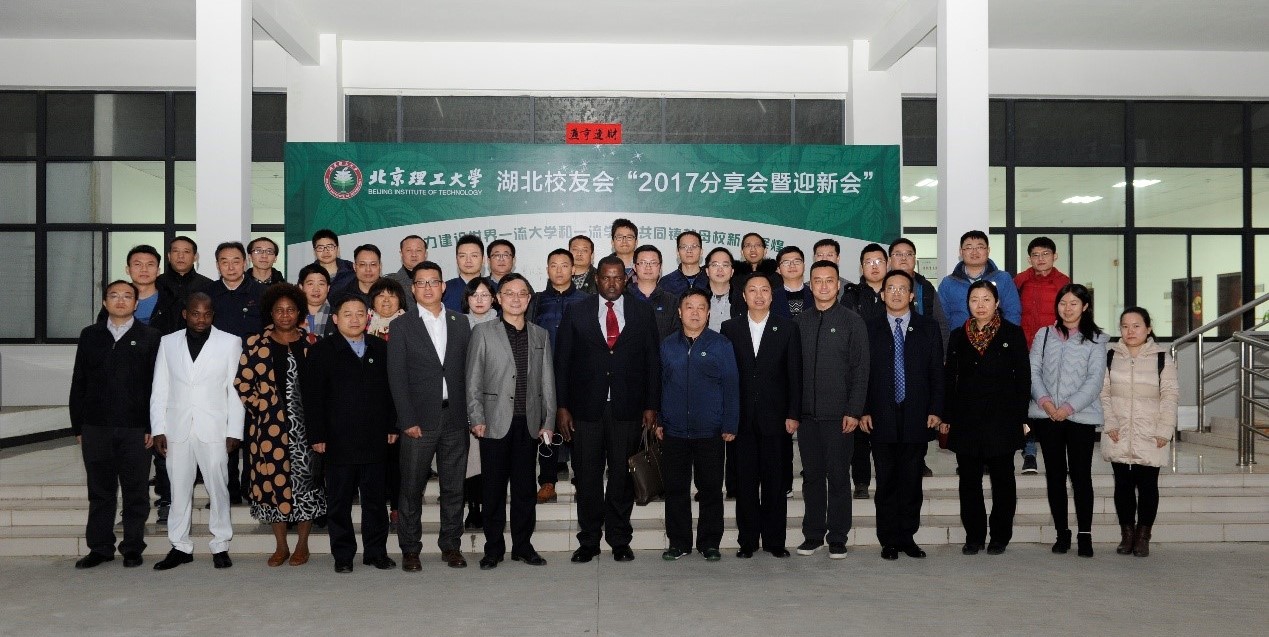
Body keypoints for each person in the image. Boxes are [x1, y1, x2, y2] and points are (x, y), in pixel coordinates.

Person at [554, 256, 662, 563]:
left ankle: (619, 539)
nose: (612, 283)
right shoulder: (577, 311)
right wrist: (562, 406)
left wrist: (651, 405)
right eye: (606, 277)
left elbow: (652, 361)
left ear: (626, 280)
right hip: (586, 410)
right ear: (596, 279)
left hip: (628, 409)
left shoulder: (641, 311)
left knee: (622, 478)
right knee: (587, 478)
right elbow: (562, 363)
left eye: (617, 277)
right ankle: (588, 541)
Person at [466, 273, 556, 569]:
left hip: (528, 424)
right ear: (498, 298)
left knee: (524, 490)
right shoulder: (483, 332)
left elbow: (547, 382)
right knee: (492, 490)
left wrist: (548, 421)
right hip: (493, 422)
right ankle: (493, 549)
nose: (516, 298)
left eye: (522, 293)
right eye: (509, 293)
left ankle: (523, 546)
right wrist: (476, 416)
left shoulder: (540, 334)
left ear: (529, 299)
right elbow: (473, 379)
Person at [69, 280, 161, 569]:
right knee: (100, 491)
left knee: (136, 491)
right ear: (105, 302)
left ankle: (132, 547)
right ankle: (100, 548)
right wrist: (78, 427)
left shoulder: (150, 336)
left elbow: (157, 386)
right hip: (95, 427)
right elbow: (79, 381)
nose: (120, 301)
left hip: (136, 429)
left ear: (136, 303)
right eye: (114, 295)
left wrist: (153, 425)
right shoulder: (90, 335)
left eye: (127, 296)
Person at [303, 295, 399, 573]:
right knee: (339, 502)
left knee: (375, 501)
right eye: (347, 314)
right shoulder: (322, 351)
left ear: (368, 318)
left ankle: (376, 552)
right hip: (337, 439)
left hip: (375, 437)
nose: (354, 319)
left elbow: (392, 391)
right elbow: (312, 397)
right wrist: (317, 435)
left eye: (360, 313)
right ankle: (343, 555)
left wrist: (393, 425)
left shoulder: (381, 348)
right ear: (335, 319)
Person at [150, 292, 245, 570]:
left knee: (218, 487)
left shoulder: (230, 342)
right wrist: (158, 429)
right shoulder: (168, 343)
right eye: (195, 313)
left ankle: (220, 544)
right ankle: (179, 546)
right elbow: (160, 388)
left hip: (215, 428)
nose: (201, 319)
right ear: (185, 314)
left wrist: (234, 430)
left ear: (213, 315)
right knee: (178, 489)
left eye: (206, 314)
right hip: (177, 428)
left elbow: (235, 391)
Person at [387, 261, 473, 571]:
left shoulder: (460, 322)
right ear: (413, 289)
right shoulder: (401, 325)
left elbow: (468, 370)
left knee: (454, 488)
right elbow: (396, 377)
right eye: (421, 282)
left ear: (443, 286)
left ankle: (451, 546)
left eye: (433, 282)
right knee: (411, 488)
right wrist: (407, 420)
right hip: (418, 422)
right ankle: (410, 549)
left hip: (455, 418)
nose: (427, 287)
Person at [234, 283, 327, 567]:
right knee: (272, 485)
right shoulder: (255, 344)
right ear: (270, 313)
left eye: (290, 310)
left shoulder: (312, 344)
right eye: (279, 310)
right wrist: (263, 410)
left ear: (299, 313)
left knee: (305, 486)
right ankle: (281, 546)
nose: (285, 315)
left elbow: (323, 386)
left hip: (306, 430)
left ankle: (302, 545)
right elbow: (242, 383)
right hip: (268, 431)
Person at [859, 270, 944, 561]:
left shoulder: (928, 328)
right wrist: (863, 410)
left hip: (917, 414)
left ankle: (907, 537)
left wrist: (936, 409)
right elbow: (862, 373)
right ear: (882, 295)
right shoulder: (869, 328)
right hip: (880, 414)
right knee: (886, 481)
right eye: (891, 288)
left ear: (911, 295)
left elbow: (937, 371)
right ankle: (888, 540)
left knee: (911, 481)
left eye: (902, 289)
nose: (896, 293)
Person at [943, 280, 1031, 556]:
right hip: (966, 419)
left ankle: (1000, 536)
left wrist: (1021, 418)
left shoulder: (1012, 333)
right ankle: (974, 536)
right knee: (969, 482)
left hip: (1002, 420)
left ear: (997, 303)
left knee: (1003, 481)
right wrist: (947, 415)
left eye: (986, 299)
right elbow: (950, 378)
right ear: (967, 304)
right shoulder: (958, 336)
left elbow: (1023, 379)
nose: (980, 305)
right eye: (974, 300)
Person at [721, 273, 801, 559]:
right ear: (743, 296)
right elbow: (727, 378)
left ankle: (775, 541)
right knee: (745, 484)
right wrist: (728, 417)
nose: (758, 295)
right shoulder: (730, 328)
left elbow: (795, 374)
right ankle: (747, 541)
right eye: (752, 290)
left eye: (764, 290)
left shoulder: (787, 328)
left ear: (772, 295)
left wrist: (793, 413)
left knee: (775, 483)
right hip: (742, 420)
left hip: (776, 419)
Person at [96, 245, 178, 522]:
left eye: (150, 264)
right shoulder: (113, 304)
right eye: (137, 264)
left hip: (164, 384)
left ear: (159, 269)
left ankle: (167, 501)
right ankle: (132, 507)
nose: (144, 269)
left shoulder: (171, 303)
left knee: (163, 445)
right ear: (128, 269)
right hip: (124, 392)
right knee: (130, 454)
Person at [793, 260, 869, 559]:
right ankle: (812, 535)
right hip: (807, 417)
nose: (823, 286)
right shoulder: (800, 322)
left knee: (838, 477)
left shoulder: (852, 321)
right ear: (810, 285)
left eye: (829, 280)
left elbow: (861, 369)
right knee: (812, 478)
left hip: (840, 417)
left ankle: (838, 537)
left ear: (838, 285)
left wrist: (854, 410)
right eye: (817, 280)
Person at [658, 288, 739, 562]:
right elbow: (659, 385)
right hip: (674, 431)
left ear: (709, 312)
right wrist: (660, 419)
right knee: (675, 490)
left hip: (710, 430)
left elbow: (731, 387)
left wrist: (729, 423)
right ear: (679, 312)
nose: (695, 313)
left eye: (701, 307)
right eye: (689, 307)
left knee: (711, 490)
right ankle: (678, 542)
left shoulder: (721, 345)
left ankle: (709, 543)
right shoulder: (667, 345)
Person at [1029, 283, 1107, 557]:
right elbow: (1033, 371)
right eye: (1063, 303)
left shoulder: (1097, 339)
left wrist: (1068, 407)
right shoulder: (1044, 335)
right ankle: (1062, 532)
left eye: (1074, 303)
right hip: (1047, 415)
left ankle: (1085, 534)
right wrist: (1046, 403)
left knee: (1081, 476)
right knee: (1055, 476)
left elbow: (1095, 380)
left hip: (1080, 416)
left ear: (1085, 307)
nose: (1067, 308)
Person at [1102, 307, 1177, 558]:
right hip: (1118, 431)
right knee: (1122, 485)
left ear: (1148, 328)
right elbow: (1103, 393)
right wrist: (1110, 423)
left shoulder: (1162, 358)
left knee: (1147, 486)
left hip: (1151, 432)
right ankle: (1127, 535)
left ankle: (1143, 536)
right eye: (1125, 326)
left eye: (1136, 326)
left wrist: (1165, 429)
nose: (1130, 331)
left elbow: (1170, 396)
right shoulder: (1110, 356)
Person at [205, 241, 265, 504]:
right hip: (216, 376)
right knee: (221, 434)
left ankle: (251, 488)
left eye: (236, 261)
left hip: (253, 375)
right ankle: (226, 491)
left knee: (253, 433)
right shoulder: (207, 295)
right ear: (217, 265)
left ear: (246, 262)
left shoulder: (261, 293)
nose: (230, 267)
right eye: (224, 261)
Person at [528, 248, 586, 504]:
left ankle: (582, 480)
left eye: (565, 265)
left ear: (573, 269)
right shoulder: (537, 301)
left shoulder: (586, 300)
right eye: (554, 265)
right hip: (544, 374)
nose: (559, 270)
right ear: (547, 269)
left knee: (580, 429)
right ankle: (548, 481)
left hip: (578, 376)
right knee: (547, 427)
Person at [1015, 237, 1071, 474]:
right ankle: (1029, 451)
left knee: (1052, 401)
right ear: (1029, 259)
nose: (1040, 259)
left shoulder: (1064, 283)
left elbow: (1072, 316)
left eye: (1045, 254)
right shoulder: (1020, 281)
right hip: (1023, 351)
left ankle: (1057, 454)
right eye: (1035, 255)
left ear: (1055, 256)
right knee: (1026, 403)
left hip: (1054, 352)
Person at [843, 243, 888, 499]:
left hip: (886, 371)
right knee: (859, 429)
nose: (874, 266)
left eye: (879, 261)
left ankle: (886, 480)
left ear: (887, 264)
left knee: (883, 430)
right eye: (869, 262)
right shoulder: (852, 296)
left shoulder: (895, 291)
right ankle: (861, 481)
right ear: (861, 267)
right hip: (858, 368)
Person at [364, 276, 407, 531]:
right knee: (374, 461)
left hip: (402, 404)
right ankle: (376, 509)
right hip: (370, 406)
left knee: (398, 461)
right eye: (381, 295)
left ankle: (398, 509)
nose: (386, 300)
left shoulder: (411, 326)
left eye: (392, 295)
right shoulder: (361, 324)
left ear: (401, 300)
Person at [461, 277, 499, 530]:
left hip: (496, 402)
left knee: (492, 459)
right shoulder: (457, 325)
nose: (479, 300)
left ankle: (490, 508)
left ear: (494, 299)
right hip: (467, 399)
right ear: (467, 299)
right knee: (471, 459)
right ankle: (473, 507)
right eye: (474, 295)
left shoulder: (503, 324)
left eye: (485, 295)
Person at [937, 230, 1021, 328]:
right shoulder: (948, 283)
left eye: (980, 247)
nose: (974, 252)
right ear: (961, 252)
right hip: (959, 336)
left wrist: (1007, 336)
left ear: (988, 250)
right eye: (969, 247)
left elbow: (1013, 313)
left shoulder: (1003, 279)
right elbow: (942, 319)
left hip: (998, 336)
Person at [887, 238, 949, 348]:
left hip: (922, 349)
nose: (904, 258)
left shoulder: (925, 287)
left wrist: (941, 354)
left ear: (915, 259)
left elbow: (941, 324)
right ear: (889, 260)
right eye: (898, 254)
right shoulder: (882, 285)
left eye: (909, 254)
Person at [628, 244, 680, 340]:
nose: (648, 267)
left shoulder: (672, 301)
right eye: (643, 263)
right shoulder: (624, 298)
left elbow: (676, 336)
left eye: (653, 263)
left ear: (660, 267)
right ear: (634, 267)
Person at [156, 236, 211, 308]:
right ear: (169, 256)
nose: (181, 256)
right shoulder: (157, 283)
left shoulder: (208, 285)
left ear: (195, 257)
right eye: (176, 251)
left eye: (186, 251)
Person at [443, 234, 488, 311]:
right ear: (456, 259)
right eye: (462, 256)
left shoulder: (492, 288)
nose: (468, 261)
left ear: (483, 259)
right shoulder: (444, 290)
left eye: (474, 256)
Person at [704, 247, 745, 332]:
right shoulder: (697, 298)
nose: (720, 270)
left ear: (732, 272)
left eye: (725, 265)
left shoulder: (743, 299)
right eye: (715, 265)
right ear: (707, 271)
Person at [659, 231, 710, 297]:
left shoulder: (710, 279)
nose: (689, 251)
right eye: (684, 247)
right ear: (678, 252)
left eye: (694, 246)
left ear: (701, 251)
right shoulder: (666, 282)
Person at [386, 235, 428, 308]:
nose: (414, 255)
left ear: (425, 254)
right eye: (408, 250)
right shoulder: (390, 283)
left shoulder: (436, 280)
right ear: (401, 254)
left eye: (418, 250)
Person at [299, 264, 338, 343]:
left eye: (321, 284)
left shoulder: (339, 315)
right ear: (301, 287)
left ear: (328, 288)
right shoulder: (292, 315)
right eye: (310, 284)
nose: (316, 289)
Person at [770, 246, 812, 319]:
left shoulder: (815, 294)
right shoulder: (770, 297)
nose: (792, 265)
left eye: (797, 261)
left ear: (804, 266)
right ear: (778, 269)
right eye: (786, 262)